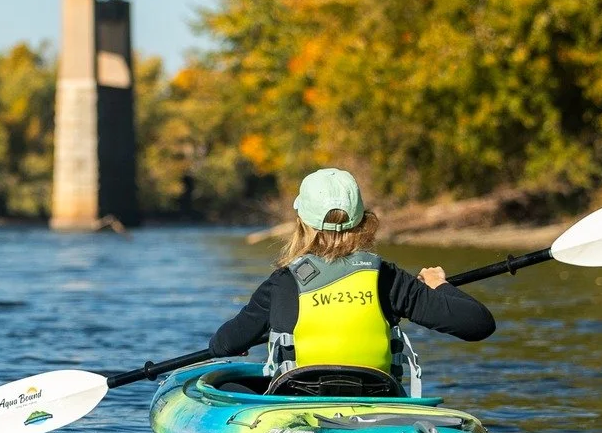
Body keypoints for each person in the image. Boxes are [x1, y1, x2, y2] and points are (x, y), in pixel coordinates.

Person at [207, 167, 493, 394]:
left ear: (302, 222)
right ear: (363, 220)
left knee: (223, 386)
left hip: (299, 401)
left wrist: (245, 337)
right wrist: (438, 285)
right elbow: (479, 324)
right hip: (377, 398)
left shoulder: (283, 282)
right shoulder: (388, 279)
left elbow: (223, 344)